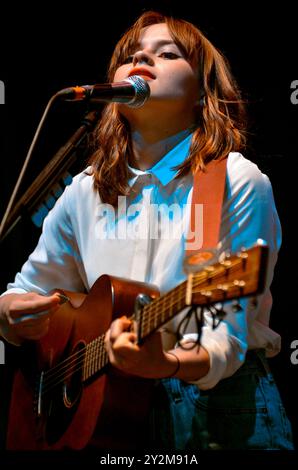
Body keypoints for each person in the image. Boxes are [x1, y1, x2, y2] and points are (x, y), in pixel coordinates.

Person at [0, 11, 294, 450]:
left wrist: (165, 362)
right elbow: (26, 289)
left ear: (202, 93)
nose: (143, 59)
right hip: (106, 410)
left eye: (167, 53)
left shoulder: (233, 181)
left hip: (213, 409)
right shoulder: (84, 189)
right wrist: (10, 317)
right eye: (132, 55)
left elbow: (224, 343)